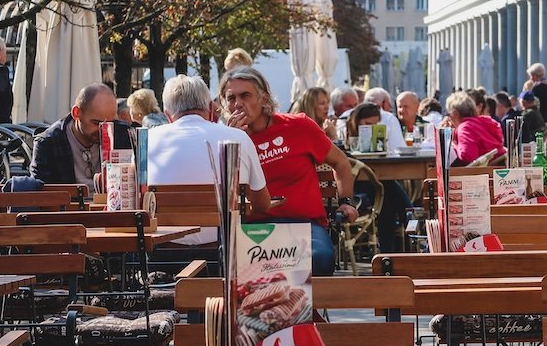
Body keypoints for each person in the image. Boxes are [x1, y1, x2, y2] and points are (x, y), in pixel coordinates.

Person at [220, 67, 357, 276]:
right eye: (231, 98)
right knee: (237, 264)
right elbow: (226, 191)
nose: (237, 103)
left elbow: (341, 163)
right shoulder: (226, 139)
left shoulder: (298, 126)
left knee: (318, 258)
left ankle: (304, 308)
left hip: (305, 225)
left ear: (263, 98)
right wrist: (234, 143)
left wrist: (346, 202)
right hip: (255, 227)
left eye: (245, 95)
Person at [148, 75, 271, 245]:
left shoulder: (146, 141)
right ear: (211, 109)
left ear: (168, 115)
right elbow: (262, 205)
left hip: (162, 250)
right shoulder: (238, 137)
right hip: (224, 251)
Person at [30, 83, 133, 189]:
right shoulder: (48, 143)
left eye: (110, 123)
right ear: (76, 113)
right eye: (96, 123)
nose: (104, 130)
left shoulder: (123, 134)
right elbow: (41, 195)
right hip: (68, 205)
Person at [345, 103, 413, 252]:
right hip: (354, 188)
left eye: (375, 124)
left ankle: (391, 250)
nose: (371, 128)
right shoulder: (345, 135)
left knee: (386, 198)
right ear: (357, 121)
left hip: (374, 183)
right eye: (367, 124)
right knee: (387, 192)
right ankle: (411, 227)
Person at [443, 92, 506, 166]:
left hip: (481, 172)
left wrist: (453, 144)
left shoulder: (464, 127)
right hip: (497, 169)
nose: (448, 118)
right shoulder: (487, 122)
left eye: (448, 114)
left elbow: (467, 156)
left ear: (456, 114)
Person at [363, 88, 407, 154]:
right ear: (384, 102)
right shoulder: (389, 118)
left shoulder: (349, 115)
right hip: (382, 162)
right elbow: (400, 150)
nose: (390, 108)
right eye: (389, 104)